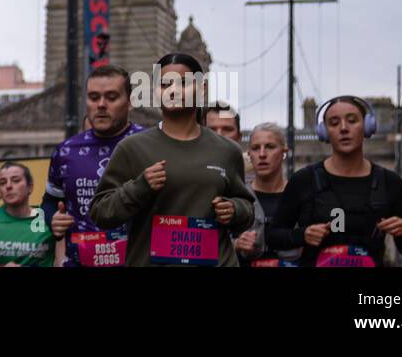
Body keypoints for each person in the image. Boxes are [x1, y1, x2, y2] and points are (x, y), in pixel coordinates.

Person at [89, 53, 255, 266]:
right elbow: (100, 213)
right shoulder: (132, 148)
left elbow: (247, 210)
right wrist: (139, 187)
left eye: (184, 83)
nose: (174, 90)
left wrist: (234, 210)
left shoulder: (227, 150)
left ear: (202, 88)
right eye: (165, 84)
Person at [267, 95, 402, 267]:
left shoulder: (389, 182)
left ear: (368, 127)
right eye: (334, 123)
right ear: (324, 132)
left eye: (352, 121)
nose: (344, 128)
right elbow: (273, 236)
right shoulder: (303, 180)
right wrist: (302, 235)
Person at [42, 65, 144, 267]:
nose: (101, 105)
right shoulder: (65, 151)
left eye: (112, 97)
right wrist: (52, 219)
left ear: (130, 102)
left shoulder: (151, 144)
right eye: (94, 97)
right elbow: (48, 202)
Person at [203, 102, 266, 265]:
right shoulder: (183, 176)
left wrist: (248, 244)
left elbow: (257, 243)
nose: (219, 135)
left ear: (238, 137)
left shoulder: (247, 186)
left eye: (227, 129)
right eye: (212, 129)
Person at [0, 162, 54, 267]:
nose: (8, 186)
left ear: (30, 187)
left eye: (16, 180)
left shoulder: (49, 221)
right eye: (2, 182)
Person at [241, 122, 300, 266]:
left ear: (284, 152)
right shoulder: (240, 196)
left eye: (270, 147)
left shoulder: (300, 196)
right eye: (255, 148)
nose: (262, 154)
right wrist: (237, 243)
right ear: (249, 154)